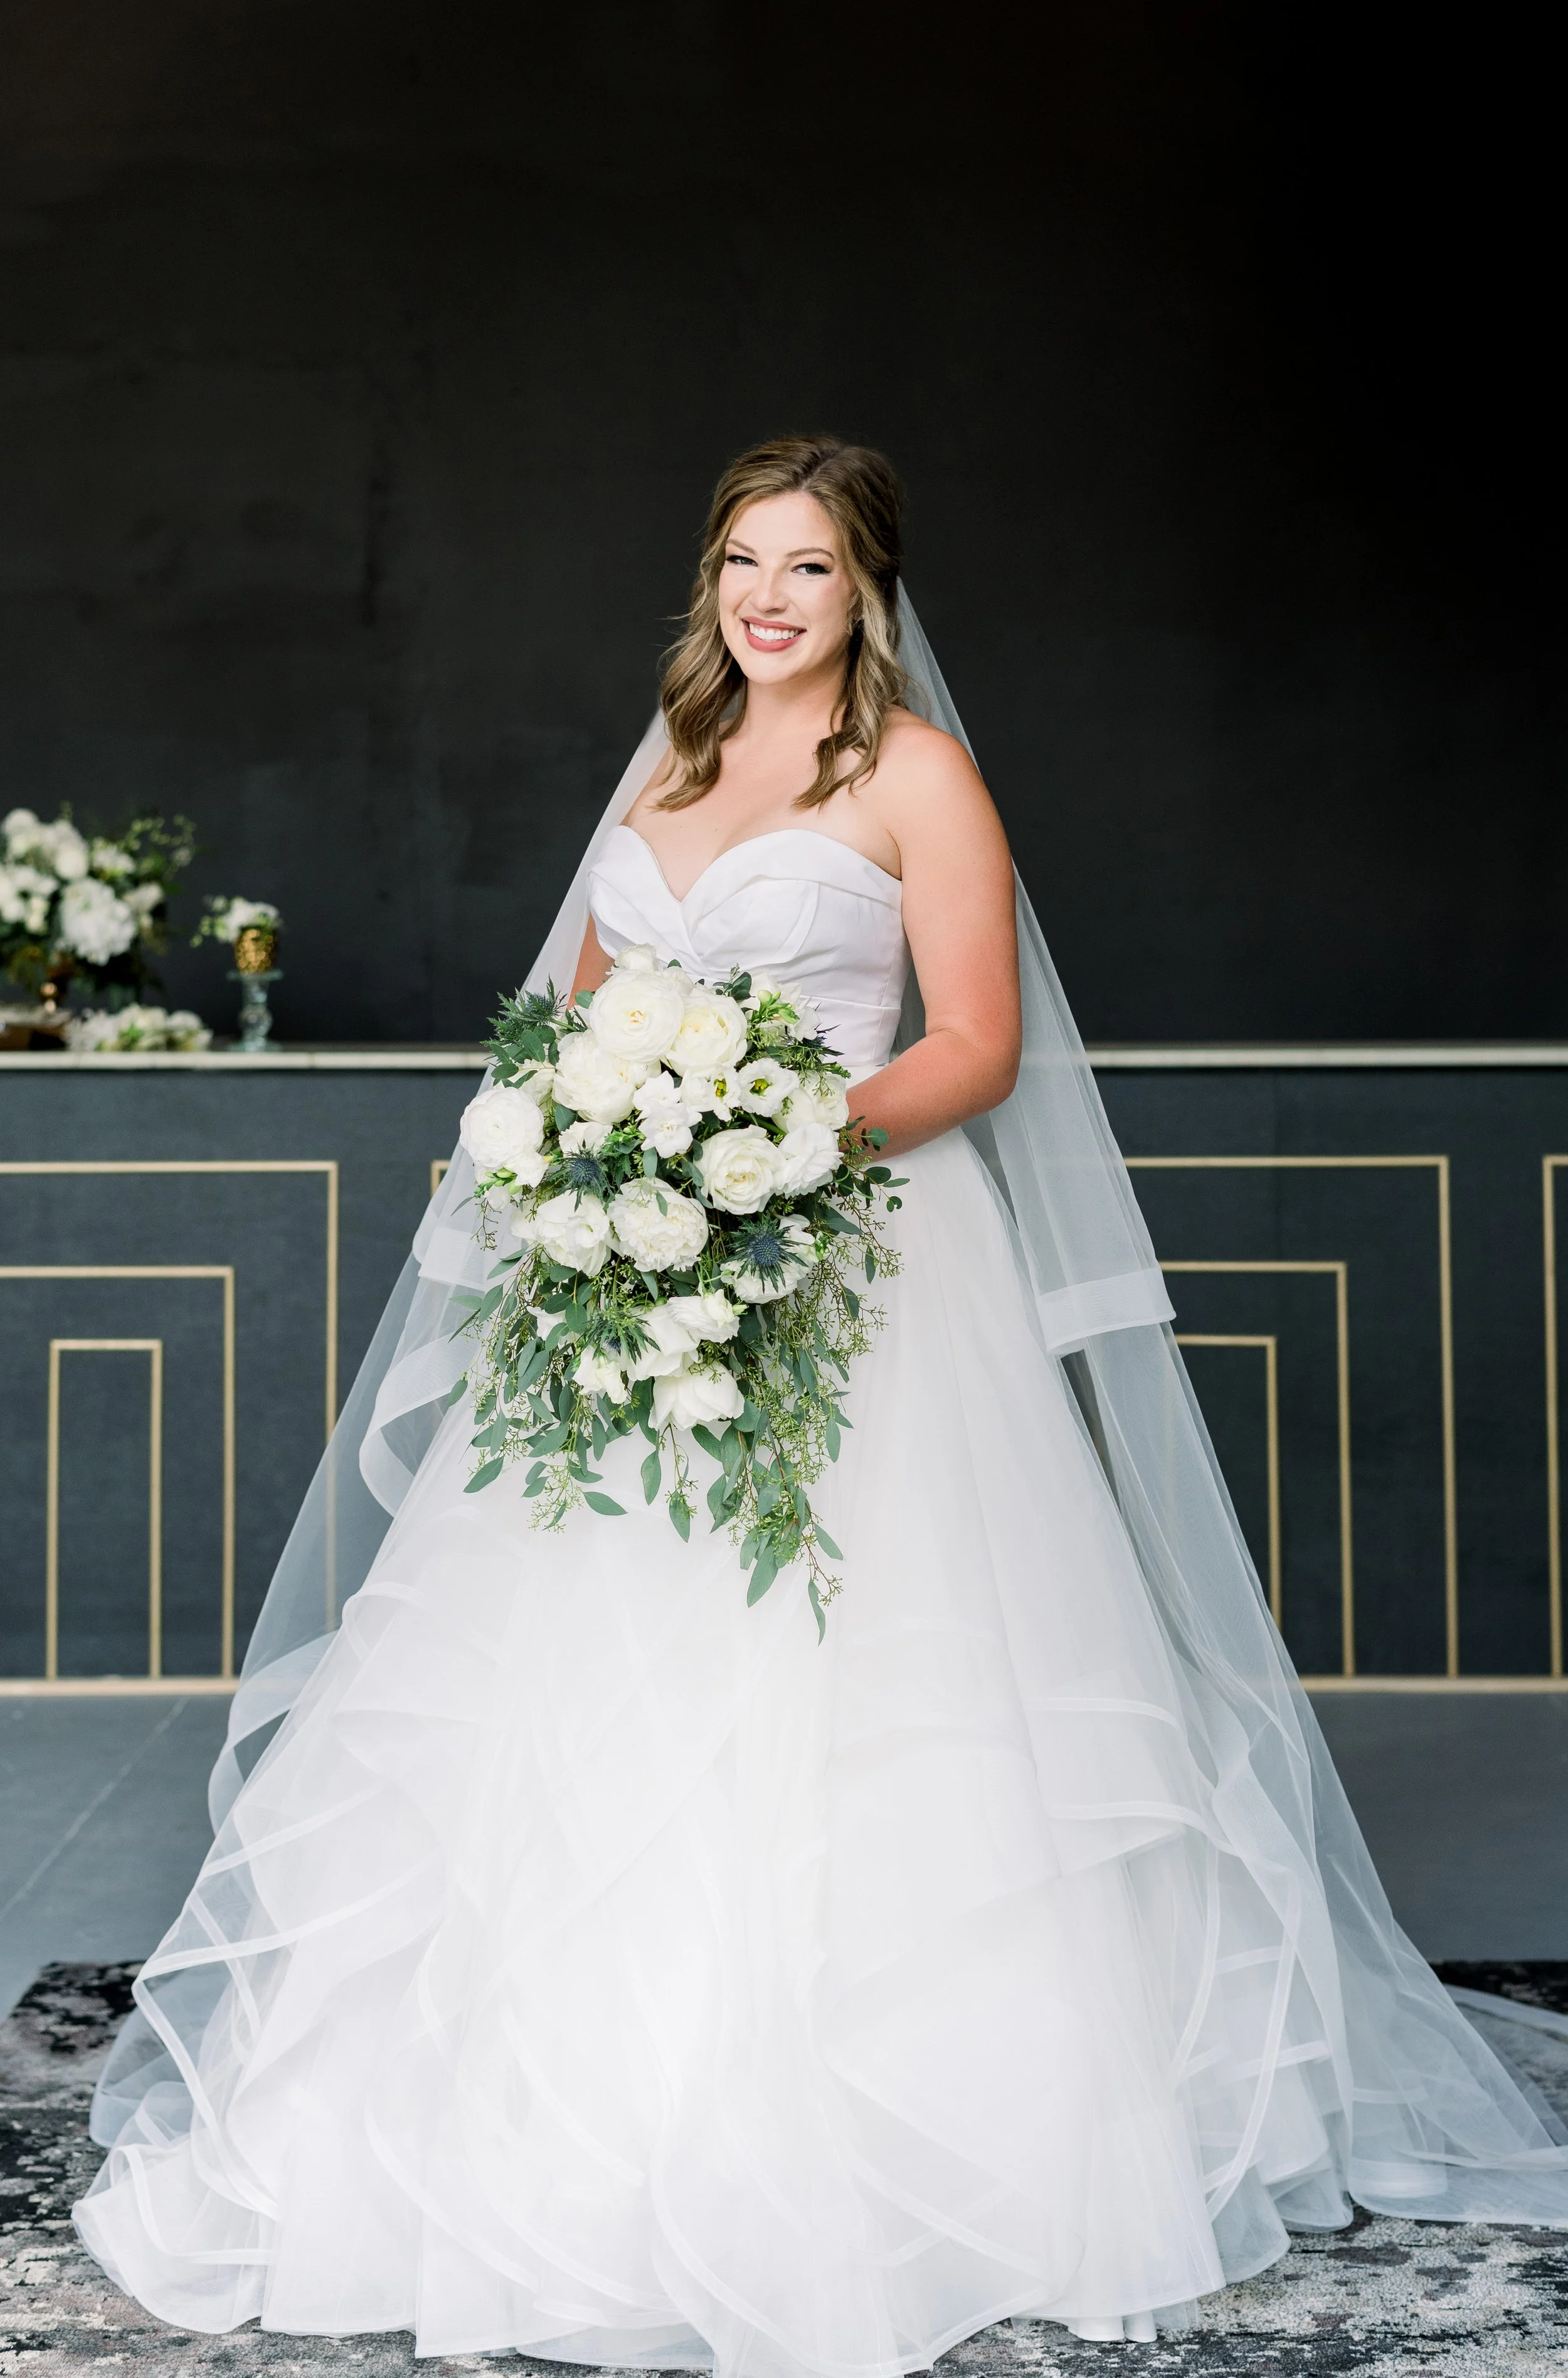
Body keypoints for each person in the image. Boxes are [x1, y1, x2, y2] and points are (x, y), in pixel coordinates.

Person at [73, 436, 1568, 2362]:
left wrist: (761, 1143)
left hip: (858, 1273)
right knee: (571, 1667)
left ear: (869, 595)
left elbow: (974, 1045)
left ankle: (929, 2118)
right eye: (739, 563)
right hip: (636, 1278)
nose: (766, 597)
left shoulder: (916, 776)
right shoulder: (672, 766)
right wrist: (582, 1154)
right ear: (708, 583)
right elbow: (589, 1019)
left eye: (808, 567)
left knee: (873, 1673)